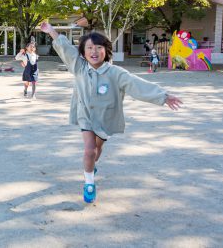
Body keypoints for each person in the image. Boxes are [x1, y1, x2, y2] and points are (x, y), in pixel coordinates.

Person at [40, 21, 182, 204]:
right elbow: (66, 49)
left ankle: (92, 166)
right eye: (89, 48)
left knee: (97, 150)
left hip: (106, 119)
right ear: (83, 52)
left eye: (99, 47)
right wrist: (51, 31)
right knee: (89, 150)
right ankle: (89, 182)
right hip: (86, 117)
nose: (94, 51)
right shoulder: (79, 68)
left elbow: (136, 85)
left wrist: (163, 96)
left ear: (106, 51)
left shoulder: (115, 72)